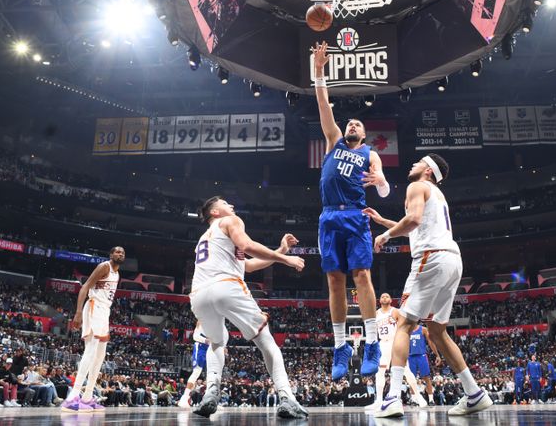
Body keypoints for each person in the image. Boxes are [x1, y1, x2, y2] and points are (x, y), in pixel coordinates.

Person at [364, 154, 492, 417]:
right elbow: (415, 227)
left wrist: (385, 235)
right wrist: (384, 222)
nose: (412, 165)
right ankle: (474, 393)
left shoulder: (416, 186)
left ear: (428, 171)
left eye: (418, 162)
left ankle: (392, 399)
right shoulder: (436, 193)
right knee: (436, 330)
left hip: (430, 258)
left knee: (404, 324)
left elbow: (413, 221)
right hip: (452, 260)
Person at [312, 41, 391, 380]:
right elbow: (323, 108)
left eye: (358, 124)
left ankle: (372, 342)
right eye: (351, 123)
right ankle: (341, 347)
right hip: (330, 215)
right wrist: (318, 72)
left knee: (362, 277)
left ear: (365, 133)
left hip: (356, 214)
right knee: (334, 280)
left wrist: (380, 181)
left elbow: (385, 189)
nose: (353, 125)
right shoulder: (333, 141)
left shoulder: (369, 153)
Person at [188, 196, 309, 419]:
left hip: (198, 295)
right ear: (215, 212)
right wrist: (287, 260)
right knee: (265, 340)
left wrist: (281, 251)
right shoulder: (231, 221)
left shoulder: (206, 238)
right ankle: (287, 397)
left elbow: (248, 266)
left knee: (216, 342)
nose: (231, 206)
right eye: (225, 203)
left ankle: (211, 392)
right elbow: (248, 246)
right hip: (226, 286)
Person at [62, 246, 125, 413]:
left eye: (122, 252)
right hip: (94, 307)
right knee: (90, 351)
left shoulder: (117, 274)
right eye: (117, 252)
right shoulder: (104, 267)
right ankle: (72, 397)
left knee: (100, 356)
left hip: (104, 312)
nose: (120, 254)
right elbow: (85, 287)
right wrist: (77, 312)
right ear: (111, 254)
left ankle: (88, 396)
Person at [365, 293, 427, 412]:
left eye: (387, 296)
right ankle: (378, 401)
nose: (384, 298)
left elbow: (405, 326)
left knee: (406, 371)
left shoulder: (396, 311)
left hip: (395, 342)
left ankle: (418, 397)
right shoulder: (376, 313)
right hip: (383, 344)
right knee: (380, 372)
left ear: (391, 300)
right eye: (382, 296)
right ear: (379, 300)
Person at [178, 321, 208, 408]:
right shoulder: (202, 319)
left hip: (212, 347)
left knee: (212, 373)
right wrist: (206, 340)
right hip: (201, 347)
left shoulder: (217, 319)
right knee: (196, 372)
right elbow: (195, 336)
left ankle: (211, 399)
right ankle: (184, 398)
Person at [408, 324, 438, 405]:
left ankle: (431, 399)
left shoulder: (423, 329)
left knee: (426, 378)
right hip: (410, 356)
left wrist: (437, 354)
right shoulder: (407, 329)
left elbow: (430, 342)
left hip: (421, 356)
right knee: (411, 379)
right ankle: (414, 399)